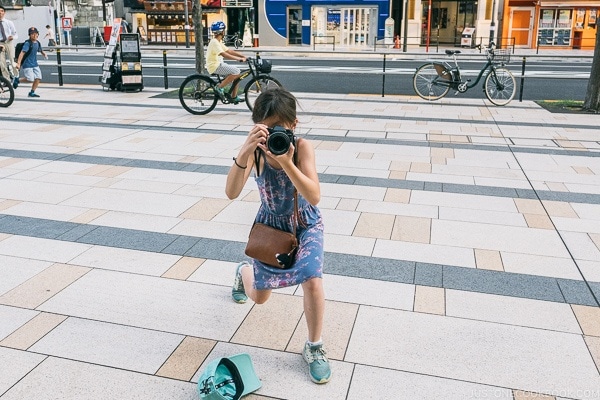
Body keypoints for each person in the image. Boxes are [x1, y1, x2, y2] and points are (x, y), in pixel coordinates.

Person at [225, 87, 332, 385]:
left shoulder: (303, 148)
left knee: (312, 277)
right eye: (267, 127)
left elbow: (314, 195)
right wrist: (245, 151)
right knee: (259, 298)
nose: (274, 135)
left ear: (293, 125)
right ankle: (243, 272)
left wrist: (287, 161)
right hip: (271, 229)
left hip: (306, 225)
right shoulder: (256, 153)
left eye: (280, 128)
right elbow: (231, 192)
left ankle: (314, 347)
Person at [206, 21, 246, 103]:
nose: (224, 32)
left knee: (237, 75)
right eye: (224, 30)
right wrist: (238, 59)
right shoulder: (214, 42)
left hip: (219, 64)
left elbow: (229, 51)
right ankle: (219, 88)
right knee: (236, 72)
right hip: (215, 66)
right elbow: (224, 54)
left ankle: (234, 97)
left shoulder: (218, 42)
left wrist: (243, 56)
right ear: (221, 31)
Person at [14, 27, 47, 98]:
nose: (34, 35)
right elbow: (22, 53)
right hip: (27, 64)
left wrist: (43, 53)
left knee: (38, 77)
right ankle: (17, 80)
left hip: (35, 63)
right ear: (29, 35)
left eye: (35, 33)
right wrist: (19, 63)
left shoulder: (37, 43)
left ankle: (32, 92)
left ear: (38, 34)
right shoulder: (27, 43)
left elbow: (40, 49)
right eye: (32, 34)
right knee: (30, 79)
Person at [0, 5, 18, 80]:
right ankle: (6, 79)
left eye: (1, 11)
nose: (0, 13)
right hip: (0, 43)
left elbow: (15, 34)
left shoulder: (9, 22)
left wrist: (12, 37)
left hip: (9, 42)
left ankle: (16, 77)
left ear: (4, 12)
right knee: (2, 63)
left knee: (12, 60)